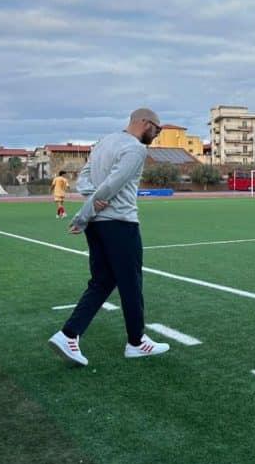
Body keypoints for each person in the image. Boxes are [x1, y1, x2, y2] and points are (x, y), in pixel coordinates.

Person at [48, 108, 170, 367]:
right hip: (120, 224)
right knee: (131, 283)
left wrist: (91, 205)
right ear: (145, 123)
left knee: (102, 282)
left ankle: (68, 334)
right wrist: (84, 213)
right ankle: (136, 343)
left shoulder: (104, 142)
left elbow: (84, 179)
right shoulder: (136, 149)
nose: (157, 135)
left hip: (97, 224)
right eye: (157, 130)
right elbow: (112, 185)